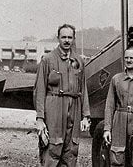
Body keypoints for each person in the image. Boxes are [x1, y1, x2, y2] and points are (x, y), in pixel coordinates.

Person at [34, 24, 91, 167]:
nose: (66, 40)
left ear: (74, 39)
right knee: (53, 147)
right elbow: (39, 90)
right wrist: (40, 119)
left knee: (71, 149)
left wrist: (86, 115)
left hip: (74, 107)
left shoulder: (78, 61)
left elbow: (83, 88)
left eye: (69, 37)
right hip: (54, 106)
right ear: (58, 38)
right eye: (63, 37)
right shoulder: (47, 59)